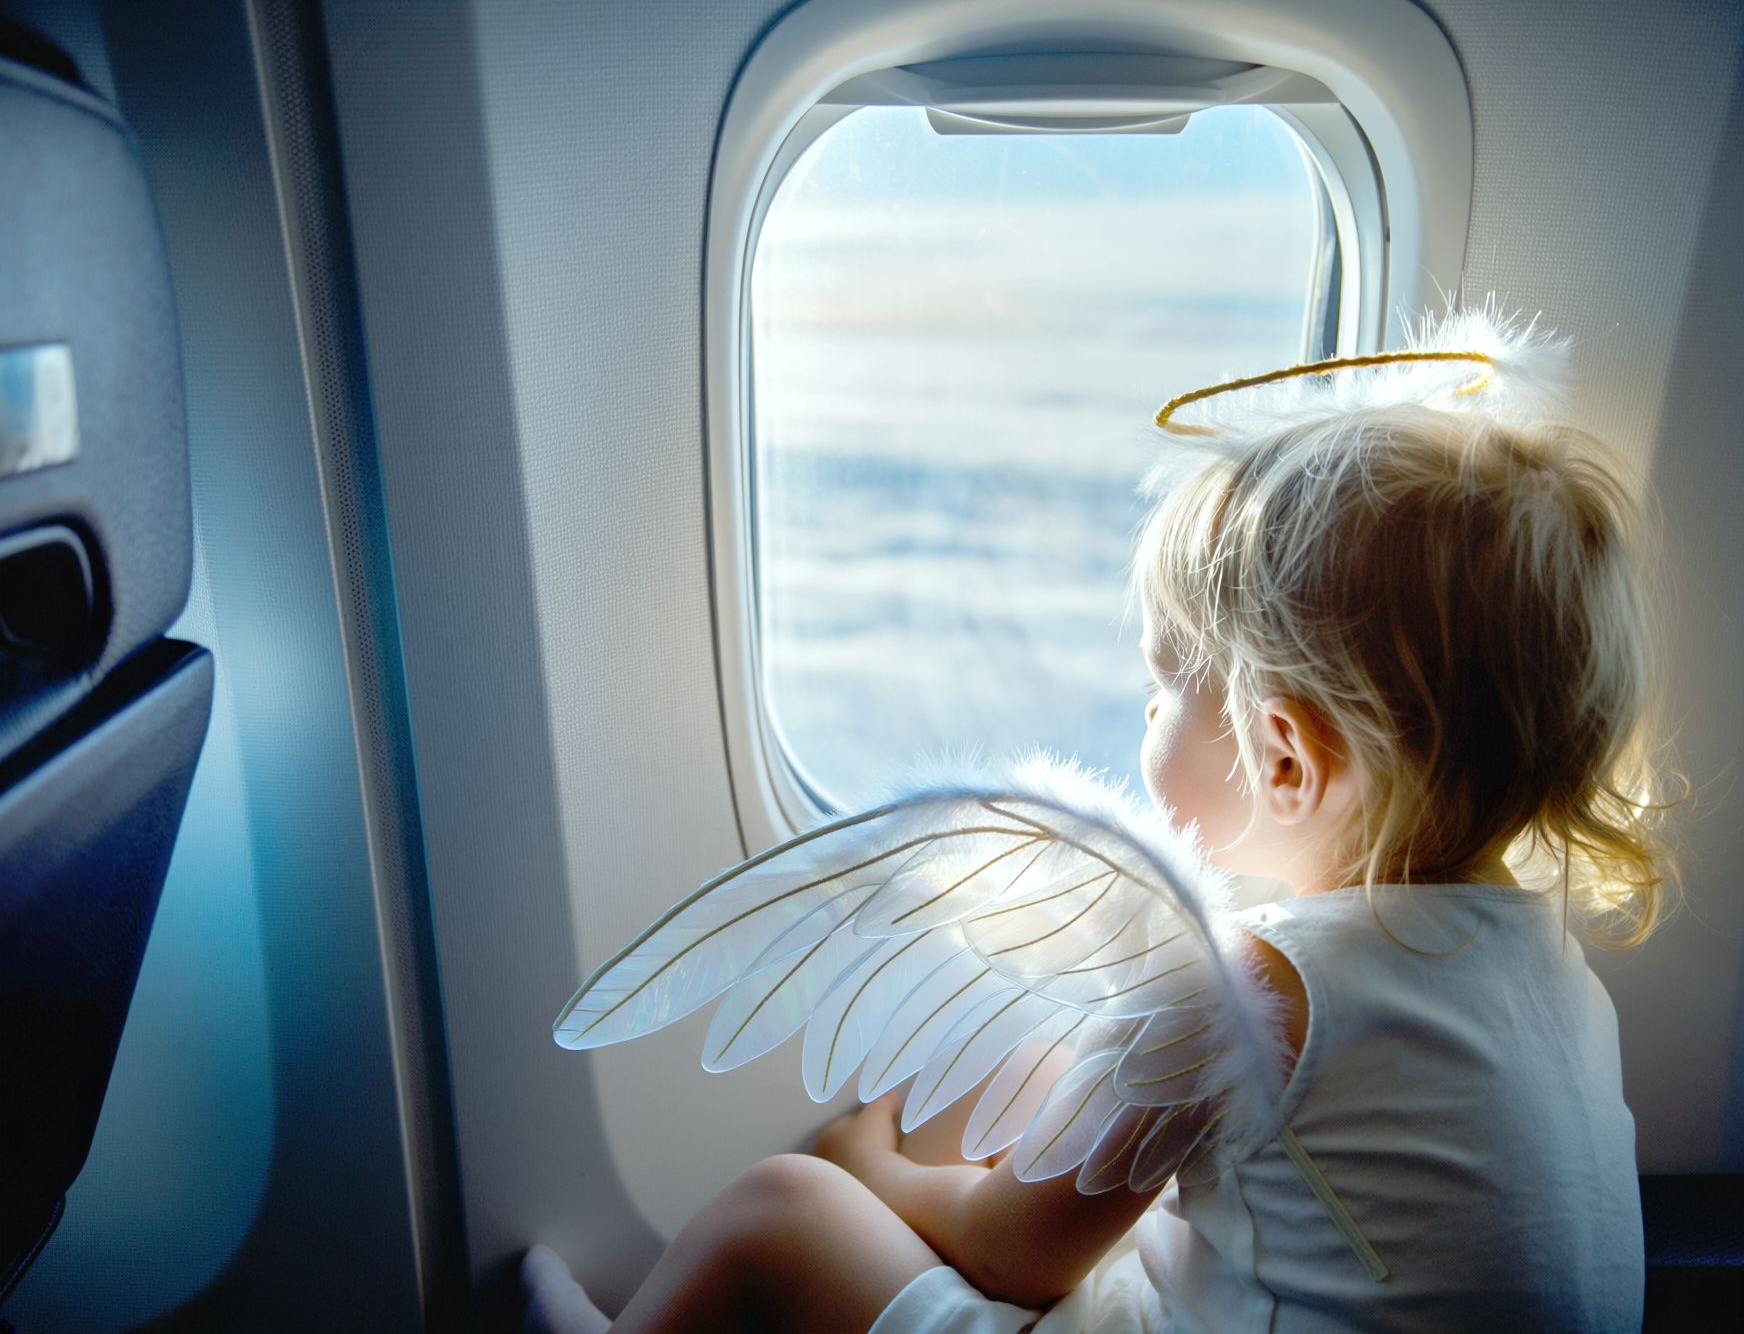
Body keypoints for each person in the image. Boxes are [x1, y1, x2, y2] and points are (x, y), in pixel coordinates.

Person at [525, 324, 1679, 1333]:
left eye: (1165, 683)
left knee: (779, 1214)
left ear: (1282, 757)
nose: (1144, 710)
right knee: (1047, 1079)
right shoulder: (1553, 974)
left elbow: (1017, 1252)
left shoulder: (1261, 986)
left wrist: (868, 1168)